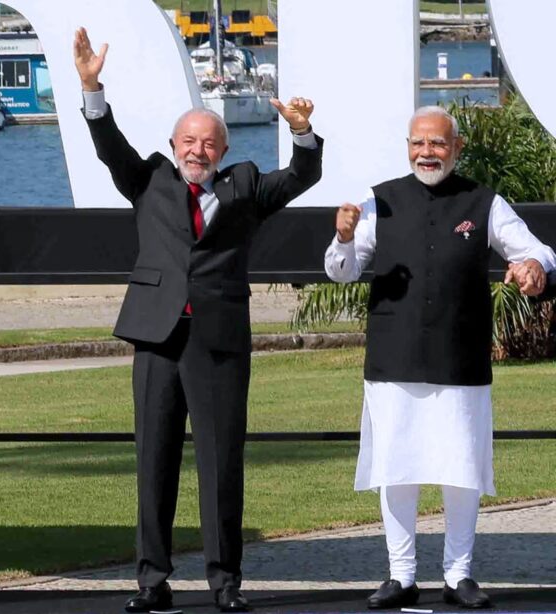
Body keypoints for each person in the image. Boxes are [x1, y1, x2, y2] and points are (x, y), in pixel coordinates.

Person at [74, 27, 323, 613]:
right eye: (188, 141)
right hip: (156, 336)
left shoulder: (247, 186)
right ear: (173, 143)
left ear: (223, 148)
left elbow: (303, 176)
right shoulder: (150, 179)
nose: (197, 151)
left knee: (220, 464)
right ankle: (151, 581)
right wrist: (92, 89)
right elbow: (110, 147)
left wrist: (302, 132)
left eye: (208, 144)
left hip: (217, 344)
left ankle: (224, 582)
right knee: (154, 461)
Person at [325, 105, 556, 610]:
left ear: (456, 148)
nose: (426, 152)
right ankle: (400, 574)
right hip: (394, 357)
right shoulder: (377, 201)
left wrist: (535, 266)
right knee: (396, 468)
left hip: (461, 358)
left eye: (437, 143)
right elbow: (341, 271)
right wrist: (343, 239)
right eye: (418, 143)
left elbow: (538, 251)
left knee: (461, 469)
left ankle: (459, 574)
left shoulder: (484, 202)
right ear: (408, 146)